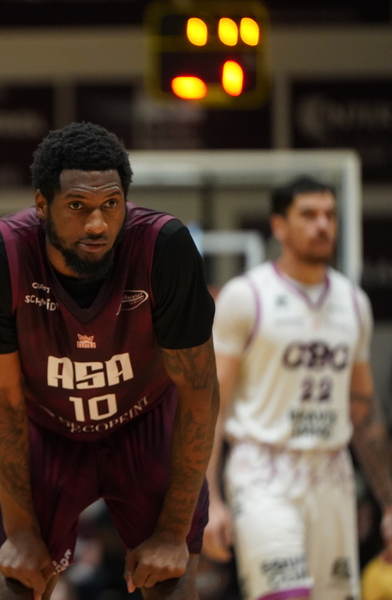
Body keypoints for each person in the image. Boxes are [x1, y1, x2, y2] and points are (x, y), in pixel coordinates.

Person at [0, 122, 219, 600]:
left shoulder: (164, 246)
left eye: (111, 205)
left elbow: (199, 389)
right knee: (19, 577)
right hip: (45, 432)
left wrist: (173, 531)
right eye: (78, 206)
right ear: (42, 205)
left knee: (173, 578)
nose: (98, 225)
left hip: (144, 424)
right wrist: (20, 530)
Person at [203, 176, 392, 600]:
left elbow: (362, 410)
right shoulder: (246, 296)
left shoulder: (354, 302)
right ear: (279, 226)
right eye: (308, 215)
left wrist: (389, 502)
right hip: (262, 470)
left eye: (329, 215)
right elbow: (211, 403)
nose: (322, 225)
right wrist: (208, 499)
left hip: (331, 472)